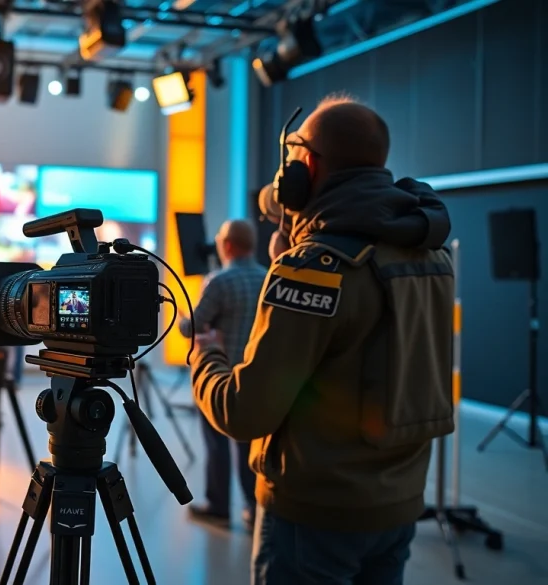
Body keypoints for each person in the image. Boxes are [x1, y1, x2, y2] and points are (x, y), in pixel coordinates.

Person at [190, 95, 455, 585]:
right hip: (397, 507)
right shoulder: (432, 256)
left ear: (307, 166)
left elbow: (244, 413)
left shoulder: (312, 268)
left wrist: (206, 358)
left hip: (313, 517)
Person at [178, 219, 267, 530]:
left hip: (220, 376)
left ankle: (218, 507)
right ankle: (254, 507)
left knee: (216, 442)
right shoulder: (268, 278)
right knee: (249, 442)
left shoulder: (218, 281)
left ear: (227, 245)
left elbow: (191, 327)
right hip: (255, 376)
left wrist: (183, 319)